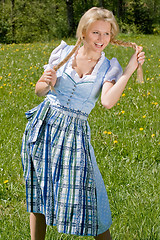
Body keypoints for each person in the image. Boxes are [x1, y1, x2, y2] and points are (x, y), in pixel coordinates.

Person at [21, 7, 145, 240]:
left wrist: (129, 70)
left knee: (92, 195)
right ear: (84, 32)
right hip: (44, 126)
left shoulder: (109, 67)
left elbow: (107, 102)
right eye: (96, 33)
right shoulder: (64, 54)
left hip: (75, 134)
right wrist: (47, 82)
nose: (102, 39)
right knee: (39, 192)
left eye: (107, 34)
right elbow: (39, 91)